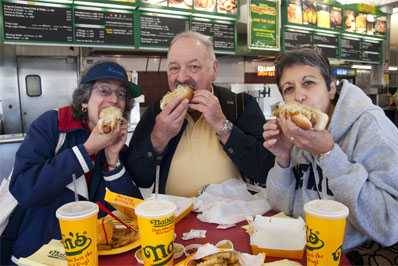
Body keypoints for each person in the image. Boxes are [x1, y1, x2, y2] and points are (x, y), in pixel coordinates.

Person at [263, 48, 398, 251]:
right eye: (288, 89)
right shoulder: (300, 131)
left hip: (355, 255)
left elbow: (390, 225)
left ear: (331, 88)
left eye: (308, 83)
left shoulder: (372, 128)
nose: (299, 96)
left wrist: (329, 153)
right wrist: (283, 158)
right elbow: (280, 207)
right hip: (302, 249)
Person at [5, 61, 143, 261]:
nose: (114, 99)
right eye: (104, 91)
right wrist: (87, 151)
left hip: (95, 253)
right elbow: (24, 188)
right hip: (38, 254)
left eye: (121, 94)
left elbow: (132, 212)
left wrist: (113, 161)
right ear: (85, 99)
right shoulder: (53, 125)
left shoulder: (115, 143)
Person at [127, 31, 274, 197]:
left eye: (194, 67)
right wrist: (158, 138)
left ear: (214, 70)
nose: (182, 77)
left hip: (233, 220)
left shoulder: (241, 105)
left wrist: (222, 126)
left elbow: (266, 172)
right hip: (175, 220)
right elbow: (138, 178)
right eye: (174, 68)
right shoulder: (157, 112)